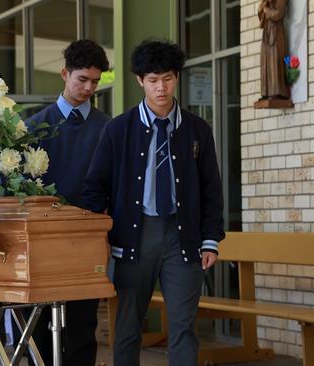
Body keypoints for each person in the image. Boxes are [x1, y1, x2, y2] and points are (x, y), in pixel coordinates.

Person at [82, 39, 225, 366]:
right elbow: (95, 188)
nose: (161, 88)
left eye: (168, 78)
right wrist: (98, 237)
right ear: (139, 81)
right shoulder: (118, 130)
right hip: (134, 237)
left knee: (183, 326)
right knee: (128, 327)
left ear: (177, 77)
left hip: (182, 237)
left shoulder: (197, 130)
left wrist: (210, 239)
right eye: (153, 80)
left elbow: (211, 189)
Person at [25, 39, 110, 366]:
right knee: (40, 323)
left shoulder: (108, 128)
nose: (89, 88)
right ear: (64, 74)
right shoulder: (34, 127)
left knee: (82, 323)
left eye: (95, 81)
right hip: (44, 239)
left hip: (87, 240)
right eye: (82, 80)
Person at [258, 0, 289, 99]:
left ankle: (278, 91)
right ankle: (266, 92)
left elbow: (278, 14)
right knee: (266, 61)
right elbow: (261, 18)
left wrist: (267, 10)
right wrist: (261, 8)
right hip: (267, 33)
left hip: (276, 33)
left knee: (275, 61)